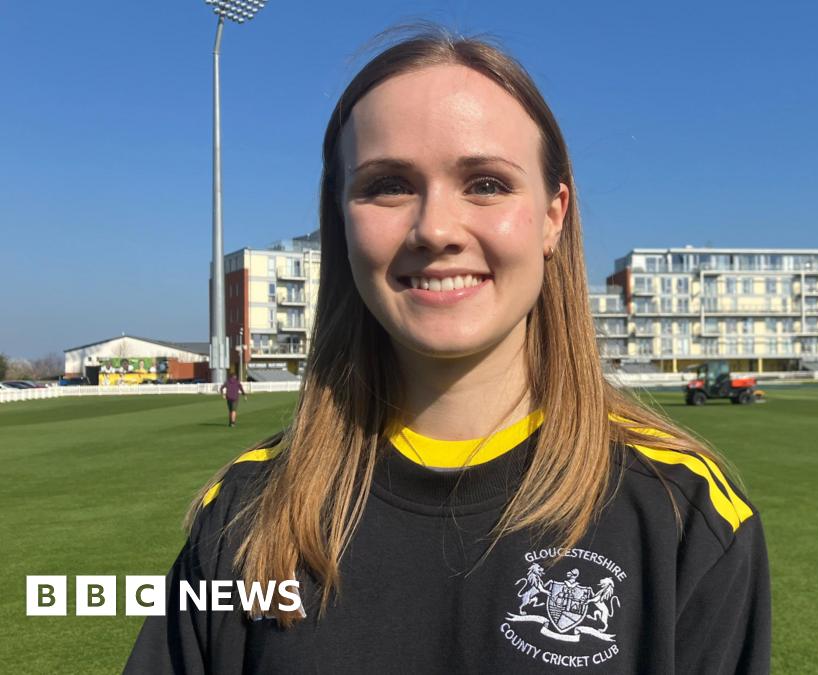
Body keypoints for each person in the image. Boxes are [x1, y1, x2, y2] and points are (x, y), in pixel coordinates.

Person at [125, 27, 769, 674]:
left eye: (486, 183)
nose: (435, 228)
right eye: (388, 185)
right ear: (340, 221)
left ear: (554, 216)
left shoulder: (685, 515)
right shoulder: (247, 513)